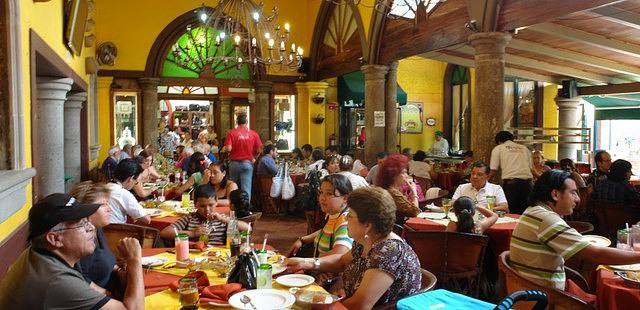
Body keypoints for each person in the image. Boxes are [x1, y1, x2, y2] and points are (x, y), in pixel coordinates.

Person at [0, 193, 144, 309]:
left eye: (87, 221)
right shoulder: (57, 281)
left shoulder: (38, 253)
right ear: (55, 239)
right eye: (81, 224)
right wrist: (135, 260)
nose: (91, 228)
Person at [286, 187, 422, 308]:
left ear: (367, 225)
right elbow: (341, 261)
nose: (345, 220)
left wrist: (319, 306)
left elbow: (360, 305)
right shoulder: (365, 239)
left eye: (350, 216)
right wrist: (306, 262)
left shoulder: (389, 251)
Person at [509, 169, 640, 291]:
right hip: (543, 299)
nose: (578, 199)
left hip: (528, 289)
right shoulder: (546, 219)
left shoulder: (533, 211)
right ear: (555, 194)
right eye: (573, 192)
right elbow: (596, 255)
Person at [69, 181, 119, 294]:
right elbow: (80, 280)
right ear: (87, 210)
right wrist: (108, 295)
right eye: (103, 204)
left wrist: (119, 269)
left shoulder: (97, 228)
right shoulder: (81, 238)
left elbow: (104, 261)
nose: (109, 209)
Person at [287, 174, 354, 258]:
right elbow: (326, 231)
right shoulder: (333, 215)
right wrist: (302, 239)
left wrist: (309, 263)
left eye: (329, 194)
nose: (322, 198)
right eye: (321, 192)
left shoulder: (344, 222)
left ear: (345, 199)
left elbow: (339, 255)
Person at [160, 185, 250, 246]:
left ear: (216, 202)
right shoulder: (189, 218)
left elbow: (247, 228)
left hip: (217, 257)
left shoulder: (222, 219)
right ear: (195, 204)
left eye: (211, 205)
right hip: (193, 256)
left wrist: (224, 220)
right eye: (202, 206)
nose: (207, 209)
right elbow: (165, 232)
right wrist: (192, 233)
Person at [489, 131, 533, 214]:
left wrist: (485, 182)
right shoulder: (524, 148)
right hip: (528, 185)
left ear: (498, 141)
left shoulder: (499, 148)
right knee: (526, 214)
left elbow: (493, 170)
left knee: (511, 213)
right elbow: (531, 168)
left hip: (511, 186)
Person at [224, 114, 262, 200]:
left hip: (234, 164)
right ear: (246, 122)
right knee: (246, 188)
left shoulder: (231, 133)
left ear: (236, 122)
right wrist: (254, 157)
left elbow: (228, 149)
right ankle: (245, 209)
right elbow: (260, 149)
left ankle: (234, 209)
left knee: (234, 187)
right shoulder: (253, 133)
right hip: (247, 163)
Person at [376, 154, 421, 224]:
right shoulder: (393, 192)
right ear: (393, 175)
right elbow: (414, 212)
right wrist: (414, 192)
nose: (406, 176)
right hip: (397, 230)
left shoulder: (390, 189)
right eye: (404, 172)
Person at [107, 158, 151, 225]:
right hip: (117, 231)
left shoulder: (104, 187)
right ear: (130, 179)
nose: (134, 184)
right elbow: (146, 220)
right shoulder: (123, 193)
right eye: (135, 182)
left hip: (101, 231)